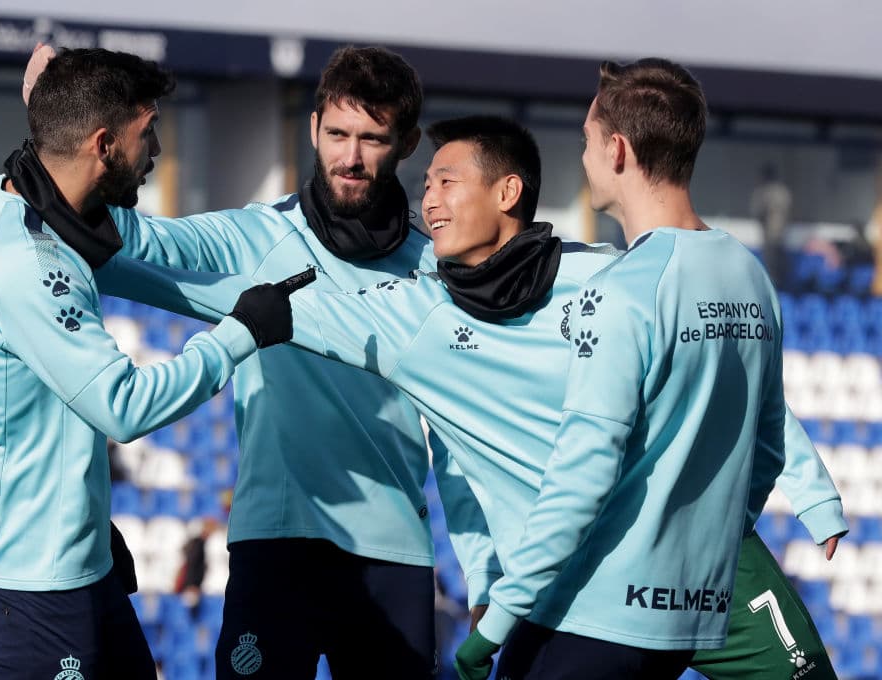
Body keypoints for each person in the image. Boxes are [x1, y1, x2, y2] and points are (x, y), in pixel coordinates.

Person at [98, 114, 843, 679]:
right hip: (578, 584)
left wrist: (811, 493)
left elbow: (729, 370)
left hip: (699, 550)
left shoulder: (605, 276)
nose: (428, 199)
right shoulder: (418, 318)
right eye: (426, 184)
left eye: (445, 181)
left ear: (508, 192)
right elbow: (235, 295)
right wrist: (63, 203)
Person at [26, 43, 453, 679]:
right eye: (337, 133)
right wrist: (51, 125)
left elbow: (462, 430)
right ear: (312, 129)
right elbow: (126, 234)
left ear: (409, 142)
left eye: (372, 137)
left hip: (394, 552)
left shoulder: (435, 268)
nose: (351, 157)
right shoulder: (254, 236)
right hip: (275, 543)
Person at [0, 48, 306, 680]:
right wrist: (239, 334)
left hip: (71, 561)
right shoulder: (31, 262)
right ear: (103, 144)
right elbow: (122, 406)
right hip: (34, 584)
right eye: (148, 131)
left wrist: (49, 103)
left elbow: (65, 175)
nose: (158, 148)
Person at [447, 57, 790, 680]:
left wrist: (493, 627)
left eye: (586, 142)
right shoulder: (751, 276)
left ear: (619, 150)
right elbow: (767, 450)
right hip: (685, 620)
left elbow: (580, 480)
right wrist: (694, 555)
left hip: (592, 617)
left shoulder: (622, 289)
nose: (582, 159)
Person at [750, 163, 792, 285]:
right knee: (779, 262)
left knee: (771, 264)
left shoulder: (764, 191)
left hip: (769, 232)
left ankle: (773, 285)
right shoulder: (783, 191)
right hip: (782, 232)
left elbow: (757, 210)